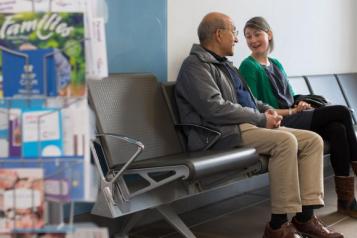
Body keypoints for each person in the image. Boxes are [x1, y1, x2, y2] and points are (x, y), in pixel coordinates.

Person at [175, 12, 343, 238]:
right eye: (234, 32)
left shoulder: (227, 67)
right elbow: (214, 108)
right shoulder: (195, 66)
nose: (236, 39)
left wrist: (266, 110)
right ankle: (277, 227)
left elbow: (251, 101)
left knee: (313, 141)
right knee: (286, 141)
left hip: (244, 126)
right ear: (218, 34)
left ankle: (305, 218)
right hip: (219, 134)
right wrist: (261, 119)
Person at [239, 16, 357, 219]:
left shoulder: (275, 63)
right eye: (248, 36)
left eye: (257, 34)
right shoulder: (248, 66)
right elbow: (257, 107)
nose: (252, 40)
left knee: (338, 128)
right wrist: (293, 111)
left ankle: (346, 201)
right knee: (343, 112)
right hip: (279, 122)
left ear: (269, 34)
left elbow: (289, 96)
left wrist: (300, 103)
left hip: (294, 115)